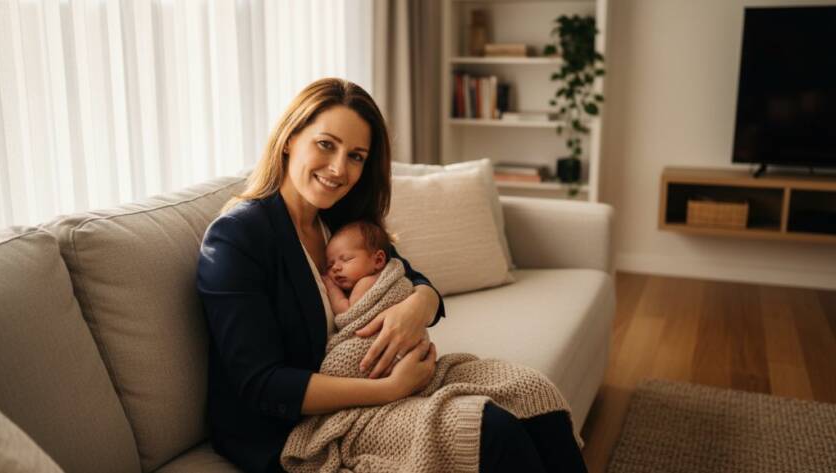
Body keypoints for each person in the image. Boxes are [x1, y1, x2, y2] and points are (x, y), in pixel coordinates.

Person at [196, 77, 587, 473]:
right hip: (297, 426)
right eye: (326, 144)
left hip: (381, 383)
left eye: (356, 156)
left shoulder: (338, 219)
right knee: (490, 431)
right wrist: (390, 389)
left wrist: (418, 305)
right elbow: (262, 384)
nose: (338, 169)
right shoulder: (237, 237)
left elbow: (412, 277)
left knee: (531, 393)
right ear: (289, 138)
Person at [322, 220, 390, 315]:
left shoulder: (366, 282)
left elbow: (348, 312)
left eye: (346, 259)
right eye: (330, 265)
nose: (335, 268)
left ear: (378, 260)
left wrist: (330, 286)